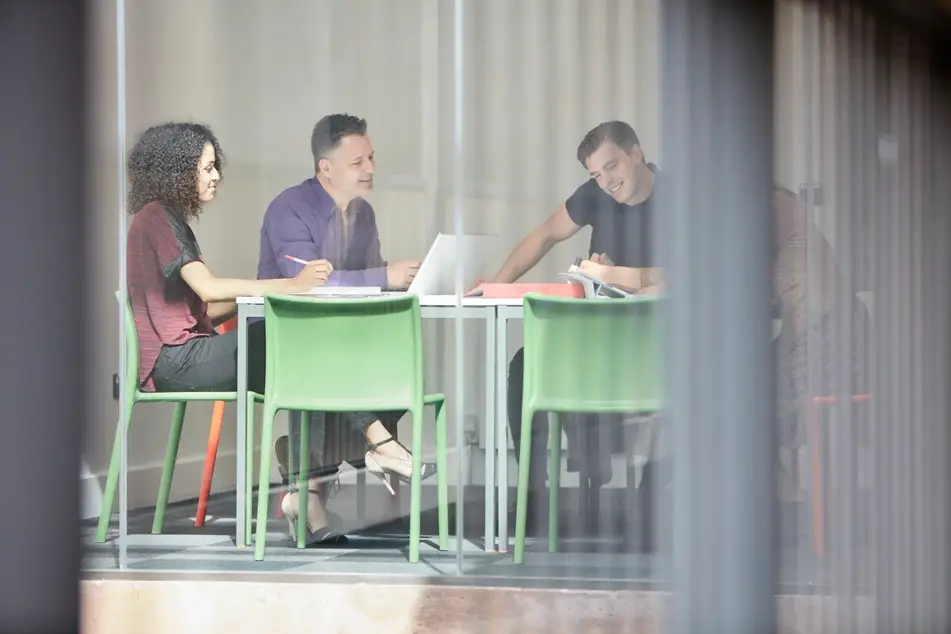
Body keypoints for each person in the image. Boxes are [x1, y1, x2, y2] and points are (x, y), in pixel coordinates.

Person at [125, 122, 345, 546]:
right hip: (175, 360)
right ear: (178, 170)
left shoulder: (167, 219)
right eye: (208, 167)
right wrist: (287, 285)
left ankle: (309, 489)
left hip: (187, 351)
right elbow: (208, 289)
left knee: (299, 347)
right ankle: (358, 452)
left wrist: (270, 296)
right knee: (298, 347)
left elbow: (202, 305)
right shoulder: (155, 219)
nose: (215, 176)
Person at [257, 113, 436, 526]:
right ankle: (378, 445)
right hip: (284, 337)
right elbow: (304, 285)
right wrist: (384, 275)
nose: (371, 168)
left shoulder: (364, 215)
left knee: (386, 354)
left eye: (371, 158)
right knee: (328, 354)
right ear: (326, 168)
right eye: (358, 163)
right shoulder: (289, 209)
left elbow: (367, 283)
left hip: (338, 338)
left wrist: (407, 279)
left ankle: (307, 487)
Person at [487, 121, 664, 529]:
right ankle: (534, 490)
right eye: (595, 175)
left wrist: (614, 275)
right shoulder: (596, 196)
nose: (606, 182)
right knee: (525, 365)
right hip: (597, 339)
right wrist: (498, 284)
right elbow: (545, 235)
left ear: (637, 154)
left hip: (652, 344)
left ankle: (622, 476)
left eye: (612, 167)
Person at [771, 186, 869, 505]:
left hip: (826, 340)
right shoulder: (779, 204)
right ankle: (785, 492)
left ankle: (787, 495)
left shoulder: (769, 202)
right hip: (829, 332)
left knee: (735, 401)